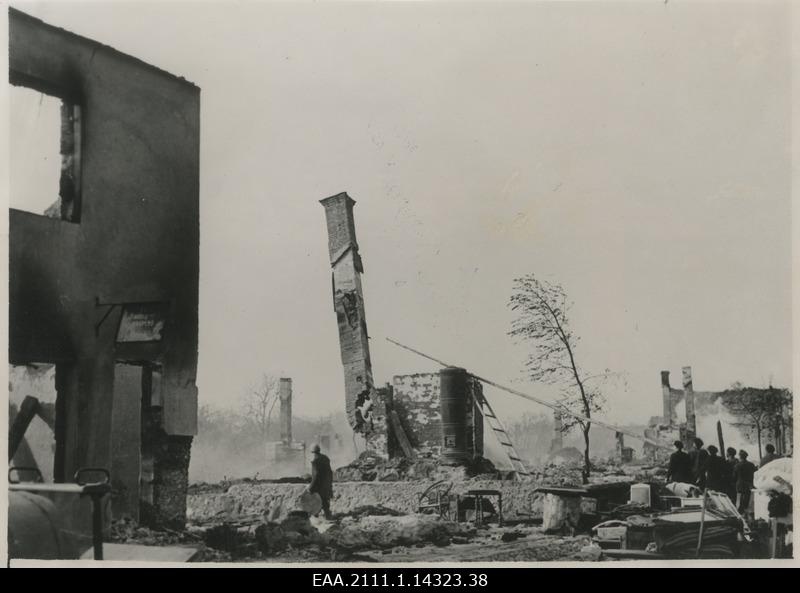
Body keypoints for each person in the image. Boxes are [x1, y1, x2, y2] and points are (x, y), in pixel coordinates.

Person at [308, 443, 333, 520]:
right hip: (326, 485)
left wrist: (310, 487)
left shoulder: (316, 461)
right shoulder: (325, 458)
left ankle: (315, 520)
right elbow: (330, 473)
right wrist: (329, 484)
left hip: (318, 487)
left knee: (316, 503)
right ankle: (328, 517)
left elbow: (316, 475)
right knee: (325, 503)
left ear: (312, 452)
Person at [734, 449, 757, 515]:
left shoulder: (737, 465)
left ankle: (740, 513)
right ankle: (746, 512)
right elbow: (754, 474)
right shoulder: (751, 465)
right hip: (748, 485)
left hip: (740, 486)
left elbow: (734, 477)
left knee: (739, 501)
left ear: (740, 457)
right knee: (747, 500)